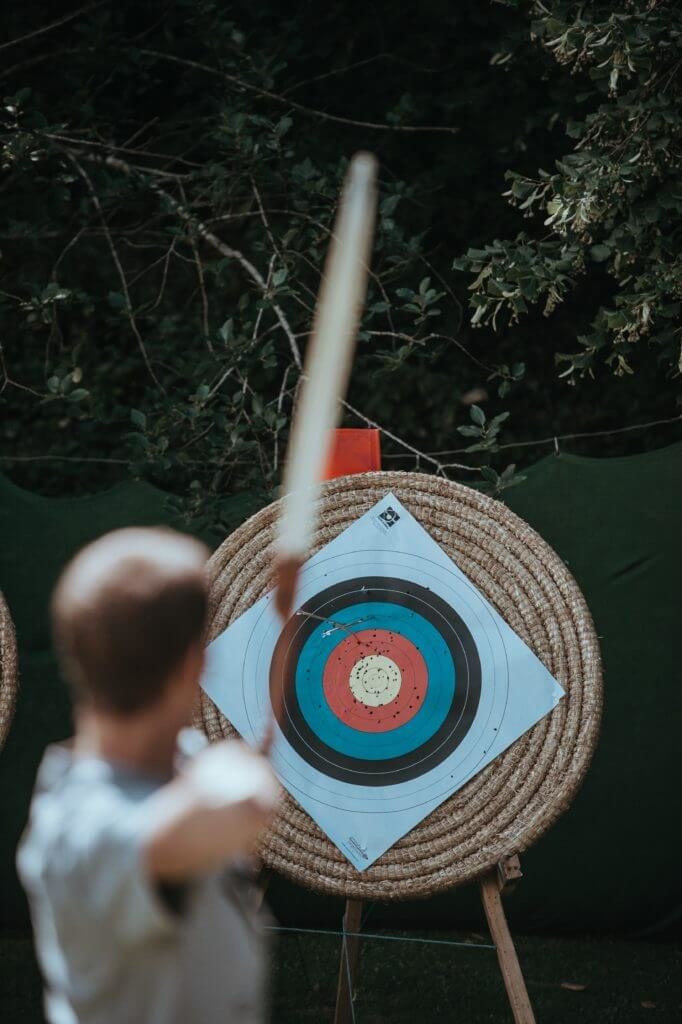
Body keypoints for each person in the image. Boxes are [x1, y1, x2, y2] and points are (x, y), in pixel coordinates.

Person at [17, 527, 279, 1024]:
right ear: (194, 666)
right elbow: (236, 806)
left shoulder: (180, 764)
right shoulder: (85, 828)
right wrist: (243, 773)